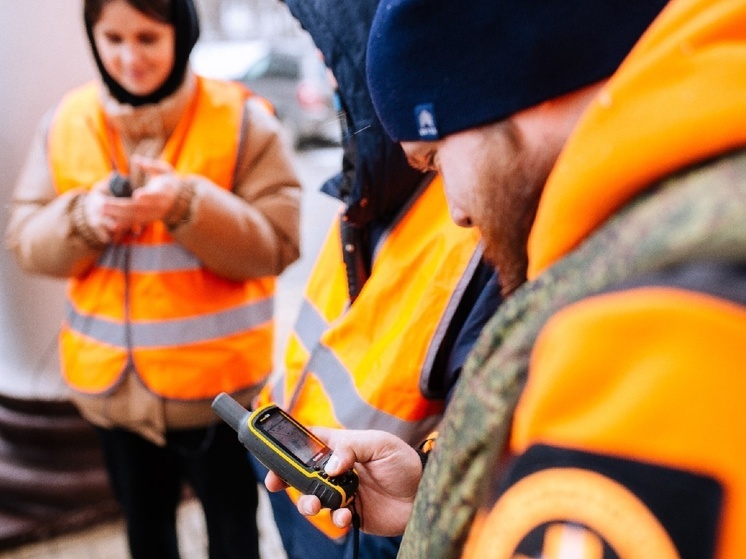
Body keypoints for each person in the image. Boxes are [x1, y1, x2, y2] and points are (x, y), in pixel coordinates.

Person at [268, 0, 746, 557]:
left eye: (437, 158)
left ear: (514, 87)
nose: (456, 213)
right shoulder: (653, 242)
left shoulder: (654, 311)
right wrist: (432, 495)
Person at [4, 0, 301, 557]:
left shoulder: (242, 117)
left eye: (147, 37)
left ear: (181, 32)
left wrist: (188, 203)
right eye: (112, 39)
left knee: (235, 537)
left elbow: (278, 245)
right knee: (147, 538)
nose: (129, 57)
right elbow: (25, 241)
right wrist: (82, 219)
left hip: (220, 396)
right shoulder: (65, 120)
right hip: (112, 398)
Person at [249, 1, 501, 558]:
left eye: (333, 58)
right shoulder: (370, 186)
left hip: (373, 526)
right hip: (317, 486)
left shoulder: (485, 209)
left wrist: (423, 502)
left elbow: (492, 453)